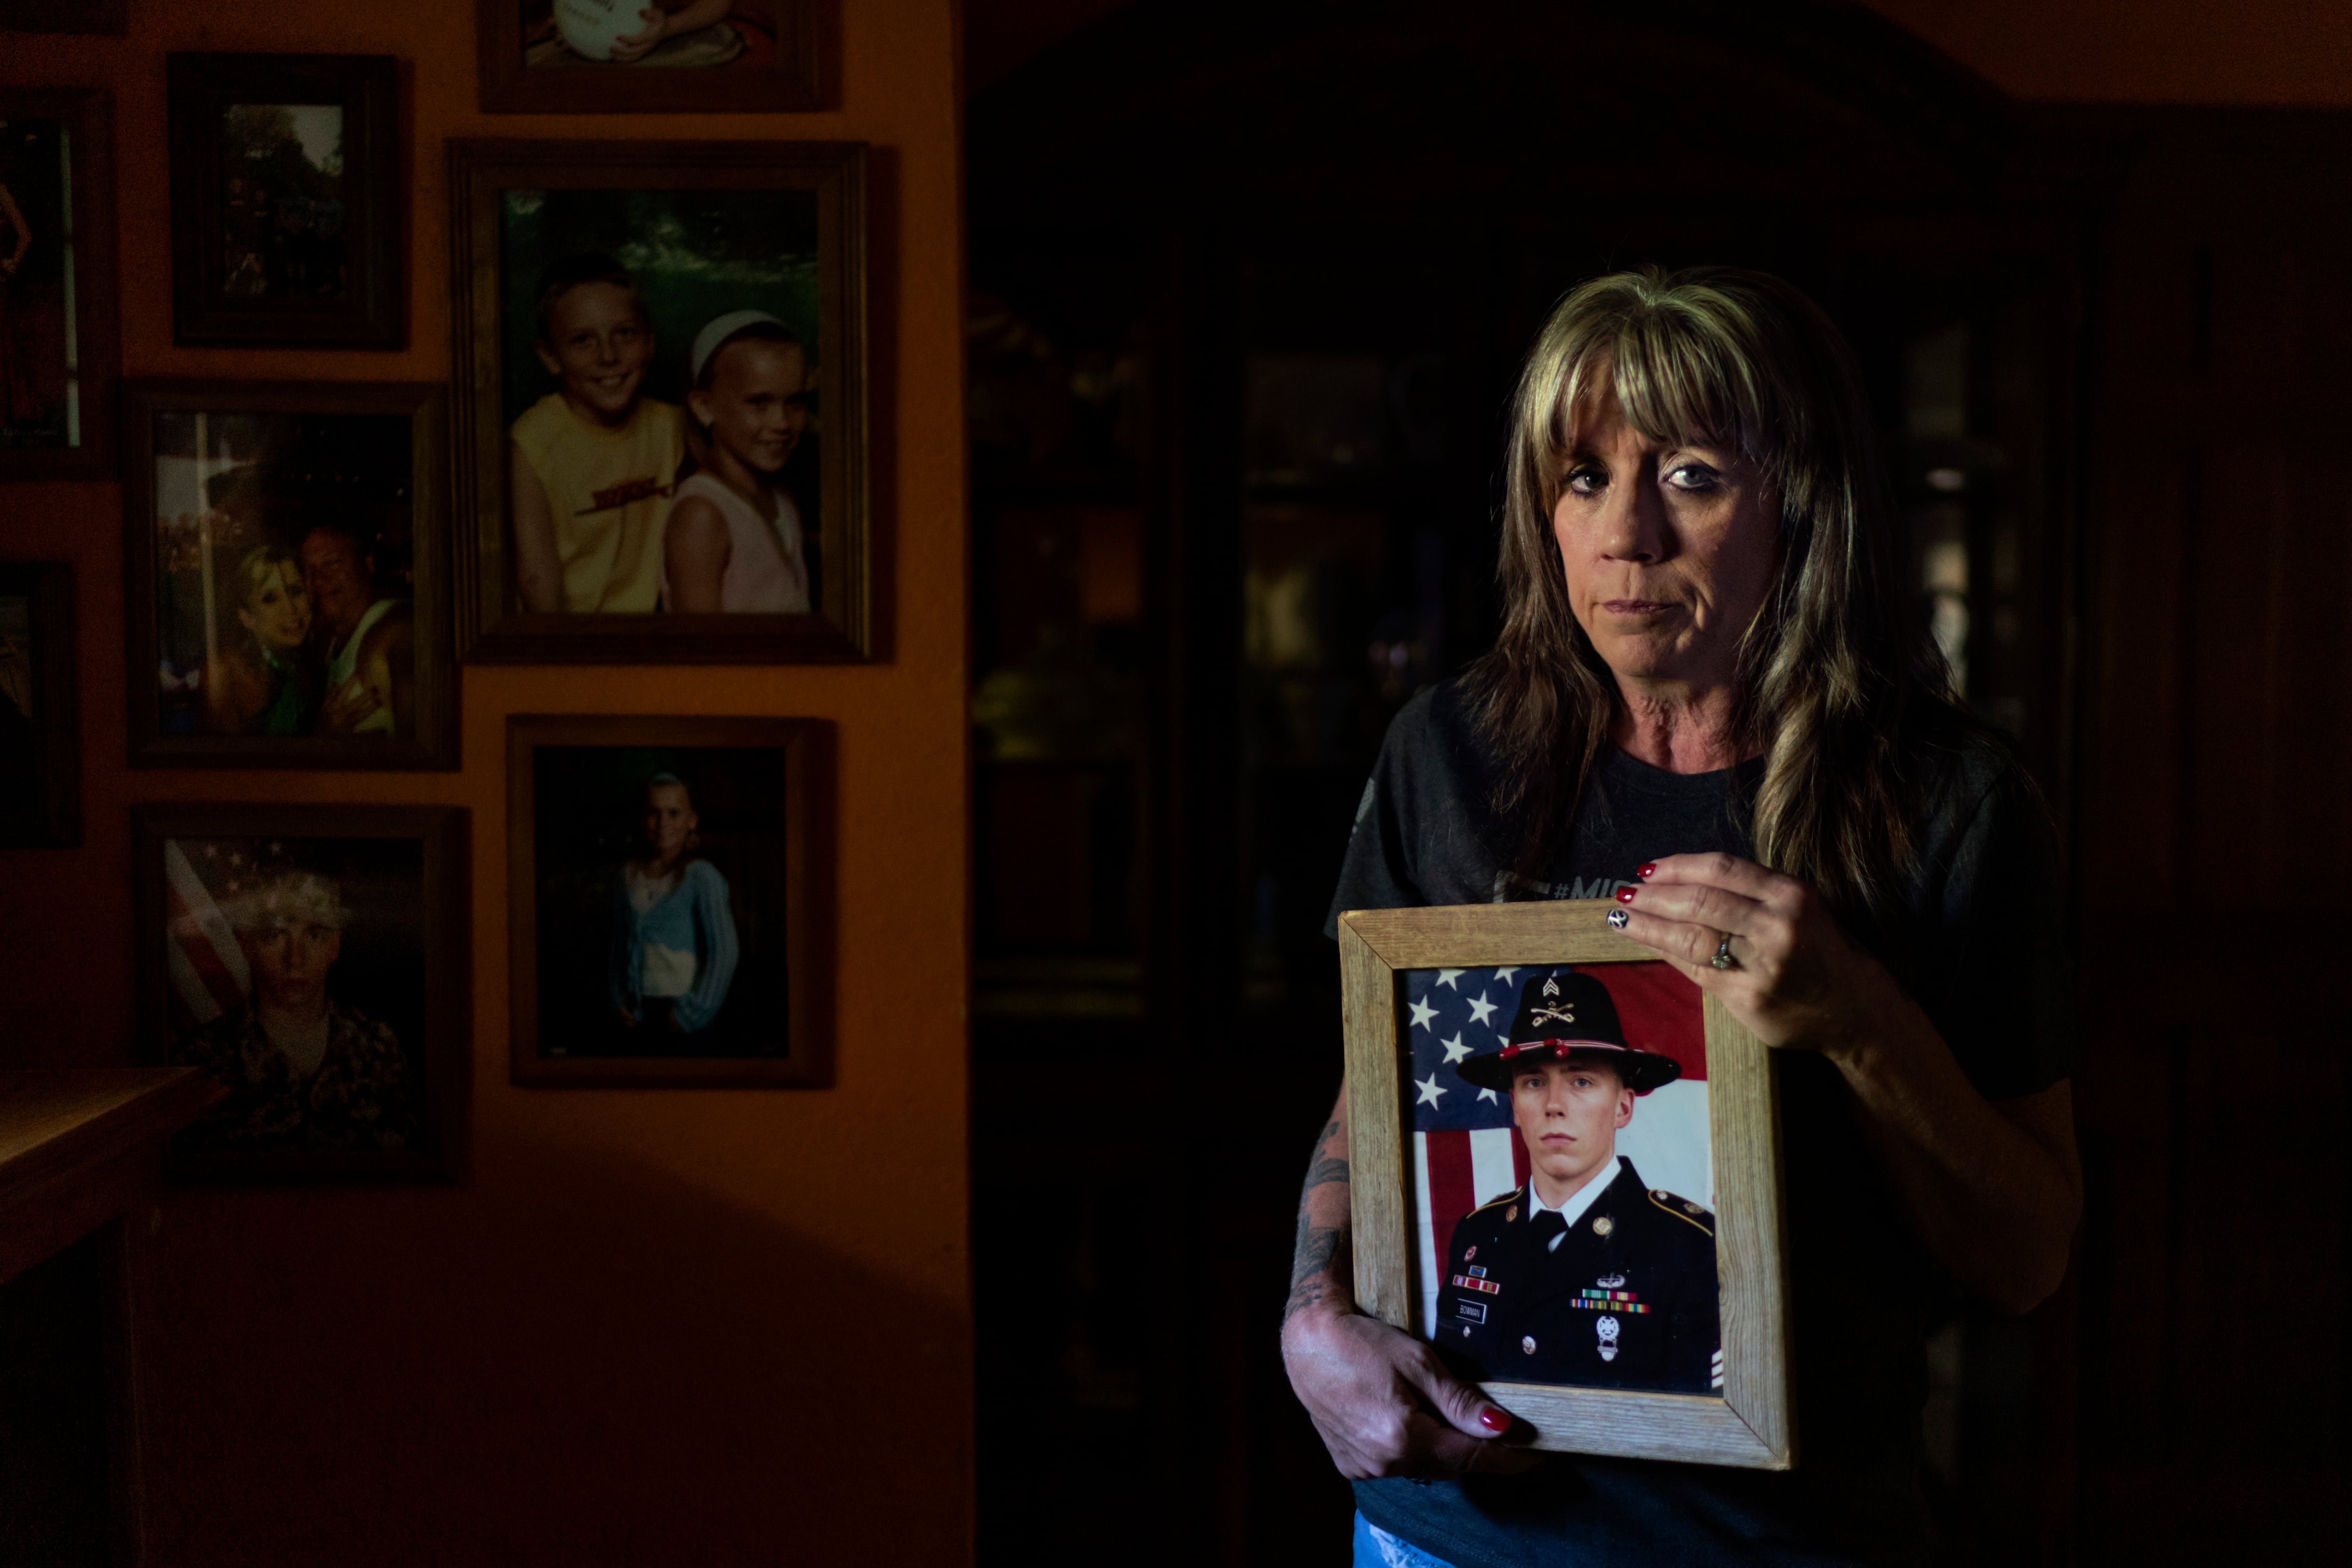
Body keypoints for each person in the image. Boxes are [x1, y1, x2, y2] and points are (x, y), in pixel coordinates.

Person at [1281, 267, 2082, 1568]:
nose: (1626, 534)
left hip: (1778, 1535)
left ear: (1803, 506)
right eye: (1584, 475)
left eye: (1695, 475)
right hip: (1447, 1532)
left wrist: (1861, 1020)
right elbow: (1378, 1090)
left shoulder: (1953, 800)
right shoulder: (1450, 750)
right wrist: (1310, 1317)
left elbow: (2029, 1253)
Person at [1435, 969, 1719, 1395]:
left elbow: (1706, 1429)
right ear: (1514, 1105)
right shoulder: (1479, 1232)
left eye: (1581, 1081)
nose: (1554, 1105)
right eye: (1534, 1082)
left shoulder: (1691, 1245)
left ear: (1623, 1107)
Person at [174, 863, 420, 1152]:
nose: (295, 960)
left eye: (314, 935)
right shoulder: (203, 1061)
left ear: (335, 945)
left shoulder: (377, 1046)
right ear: (246, 945)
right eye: (273, 936)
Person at [508, 253, 685, 614]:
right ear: (550, 356)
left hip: (653, 635)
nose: (608, 356)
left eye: (625, 334)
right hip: (570, 639)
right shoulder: (534, 439)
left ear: (649, 343)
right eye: (583, 341)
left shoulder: (672, 426)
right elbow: (537, 577)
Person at [662, 309, 814, 613]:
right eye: (760, 402)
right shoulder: (703, 516)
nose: (782, 422)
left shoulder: (782, 500)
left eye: (794, 402)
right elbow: (700, 654)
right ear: (705, 407)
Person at [608, 772, 739, 1046]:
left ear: (692, 820)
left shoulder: (702, 877)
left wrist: (692, 1013)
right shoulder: (627, 876)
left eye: (674, 813)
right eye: (654, 813)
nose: (663, 824)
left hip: (682, 1018)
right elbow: (618, 945)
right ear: (644, 819)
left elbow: (724, 951)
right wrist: (618, 997)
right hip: (635, 1016)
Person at [298, 520, 411, 737]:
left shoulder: (394, 629)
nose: (318, 579)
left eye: (332, 563)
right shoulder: (329, 640)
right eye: (308, 570)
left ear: (368, 565)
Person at [201, 543, 321, 737]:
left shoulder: (309, 660)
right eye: (270, 599)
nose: (290, 609)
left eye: (295, 591)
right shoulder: (224, 676)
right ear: (247, 616)